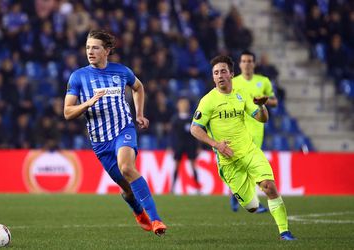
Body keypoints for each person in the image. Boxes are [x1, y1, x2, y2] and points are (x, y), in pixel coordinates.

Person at [63, 30, 167, 236]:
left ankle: (156, 219)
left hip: (123, 129)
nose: (90, 52)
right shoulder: (78, 77)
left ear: (107, 50)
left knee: (127, 167)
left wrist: (139, 113)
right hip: (101, 142)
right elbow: (67, 112)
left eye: (95, 47)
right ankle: (138, 212)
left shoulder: (121, 71)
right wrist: (88, 103)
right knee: (126, 188)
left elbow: (138, 87)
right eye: (87, 47)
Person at [190, 55, 296, 240]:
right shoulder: (208, 101)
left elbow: (262, 118)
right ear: (213, 77)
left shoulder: (241, 95)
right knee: (252, 207)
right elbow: (195, 129)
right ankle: (245, 190)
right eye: (216, 73)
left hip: (249, 150)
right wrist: (216, 144)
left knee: (269, 187)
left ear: (231, 74)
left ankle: (284, 232)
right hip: (229, 161)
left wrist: (262, 107)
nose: (220, 75)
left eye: (223, 71)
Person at [230, 50, 279, 213]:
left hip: (258, 128)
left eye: (250, 61)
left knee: (249, 166)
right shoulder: (234, 82)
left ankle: (238, 196)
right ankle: (250, 201)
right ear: (240, 64)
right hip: (240, 129)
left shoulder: (263, 81)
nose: (247, 64)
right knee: (246, 165)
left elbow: (274, 101)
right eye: (244, 61)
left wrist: (264, 101)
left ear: (254, 63)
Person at [170, 97, 200, 193]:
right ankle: (173, 188)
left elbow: (197, 133)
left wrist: (198, 146)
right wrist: (171, 146)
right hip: (179, 145)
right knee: (176, 166)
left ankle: (198, 188)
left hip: (190, 145)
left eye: (185, 104)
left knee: (193, 165)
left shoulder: (192, 118)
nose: (183, 106)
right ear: (178, 106)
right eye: (181, 104)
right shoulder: (175, 119)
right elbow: (172, 134)